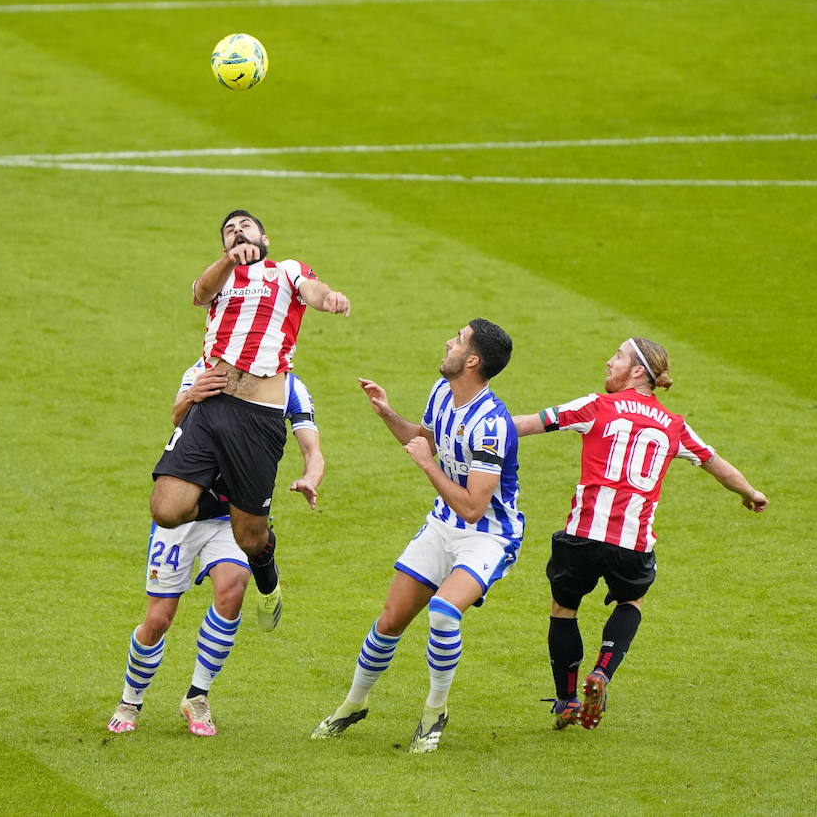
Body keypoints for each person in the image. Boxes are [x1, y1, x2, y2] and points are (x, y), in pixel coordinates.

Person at [512, 338, 768, 731]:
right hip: (631, 544)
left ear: (637, 371)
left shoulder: (596, 405)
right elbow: (715, 463)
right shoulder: (673, 425)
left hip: (582, 534)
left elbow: (524, 425)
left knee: (564, 609)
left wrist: (460, 433)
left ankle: (566, 701)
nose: (607, 362)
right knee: (631, 601)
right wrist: (750, 492)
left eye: (617, 357)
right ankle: (601, 672)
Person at [311, 320, 519, 754]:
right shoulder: (443, 392)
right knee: (390, 620)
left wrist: (428, 465)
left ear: (473, 360)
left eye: (458, 340)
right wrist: (388, 414)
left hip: (487, 536)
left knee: (443, 611)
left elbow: (473, 506)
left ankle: (434, 713)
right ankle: (354, 704)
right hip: (444, 523)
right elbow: (422, 440)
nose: (448, 342)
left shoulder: (492, 424)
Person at [150, 210, 349, 632]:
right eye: (229, 230)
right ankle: (223, 496)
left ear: (265, 237)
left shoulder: (286, 271)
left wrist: (327, 298)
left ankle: (268, 577)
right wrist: (229, 259)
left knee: (250, 537)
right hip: (212, 405)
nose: (238, 231)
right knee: (166, 510)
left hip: (258, 419)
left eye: (245, 227)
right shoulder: (220, 279)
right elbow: (199, 293)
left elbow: (312, 289)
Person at [110, 359, 325, 736]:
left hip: (230, 515)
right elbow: (178, 418)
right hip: (187, 513)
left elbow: (312, 446)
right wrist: (192, 395)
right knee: (158, 619)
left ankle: (197, 697)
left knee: (232, 589)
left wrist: (310, 476)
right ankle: (130, 700)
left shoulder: (288, 387)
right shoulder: (206, 368)